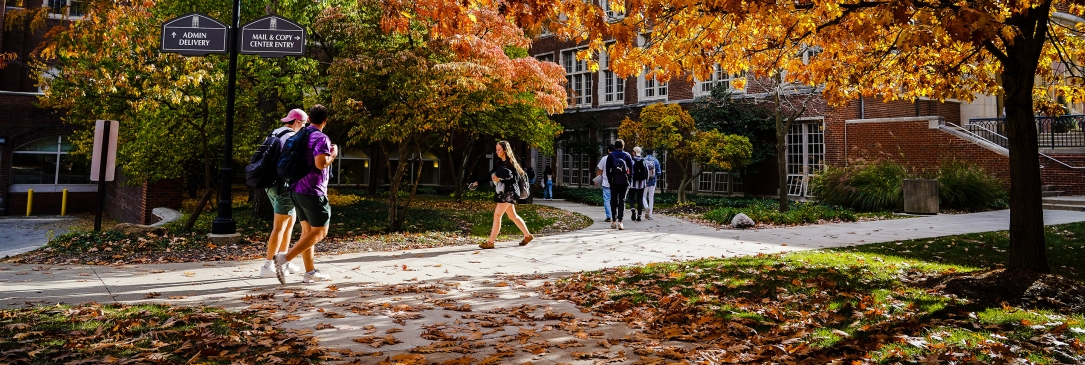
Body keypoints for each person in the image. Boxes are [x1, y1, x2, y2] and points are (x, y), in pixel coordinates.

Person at [274, 104, 338, 284]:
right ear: (325, 121)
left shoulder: (300, 134)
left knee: (307, 232)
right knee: (320, 232)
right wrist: (333, 155)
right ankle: (284, 259)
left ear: (309, 119)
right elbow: (320, 163)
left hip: (295, 188)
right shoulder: (321, 138)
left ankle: (310, 272)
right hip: (312, 190)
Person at [259, 109, 307, 278]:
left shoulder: (274, 133)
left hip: (269, 184)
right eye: (304, 124)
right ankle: (267, 265)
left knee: (289, 221)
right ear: (297, 122)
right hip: (283, 186)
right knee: (280, 226)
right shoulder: (290, 137)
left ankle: (283, 260)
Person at [469, 140, 534, 249]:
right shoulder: (500, 163)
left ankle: (490, 242)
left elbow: (514, 180)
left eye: (499, 149)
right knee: (512, 216)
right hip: (506, 192)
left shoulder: (511, 163)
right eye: (496, 149)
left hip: (509, 193)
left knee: (497, 215)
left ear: (505, 150)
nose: (497, 151)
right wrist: (477, 182)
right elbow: (490, 174)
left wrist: (500, 178)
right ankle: (527, 236)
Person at [605, 139, 634, 230]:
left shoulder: (611, 155)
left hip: (614, 181)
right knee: (622, 201)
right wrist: (629, 180)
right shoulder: (627, 155)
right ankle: (620, 222)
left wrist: (610, 181)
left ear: (614, 146)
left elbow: (607, 170)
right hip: (624, 181)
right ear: (623, 146)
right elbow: (631, 170)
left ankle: (613, 221)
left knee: (614, 200)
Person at [595, 144, 615, 222]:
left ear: (608, 150)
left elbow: (600, 170)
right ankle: (615, 215)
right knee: (615, 199)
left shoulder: (604, 158)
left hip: (606, 182)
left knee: (607, 200)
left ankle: (609, 216)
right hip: (616, 183)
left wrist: (596, 179)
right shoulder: (618, 158)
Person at [628, 146, 648, 222]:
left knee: (631, 197)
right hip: (642, 183)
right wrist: (646, 181)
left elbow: (628, 171)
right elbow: (647, 173)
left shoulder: (631, 161)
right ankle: (639, 216)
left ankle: (633, 209)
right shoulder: (644, 161)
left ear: (634, 152)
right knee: (640, 199)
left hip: (633, 183)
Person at [643, 148, 662, 220]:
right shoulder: (655, 161)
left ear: (646, 153)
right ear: (652, 153)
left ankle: (646, 207)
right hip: (653, 181)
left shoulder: (643, 160)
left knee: (643, 196)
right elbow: (659, 172)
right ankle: (650, 214)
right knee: (651, 197)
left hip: (645, 181)